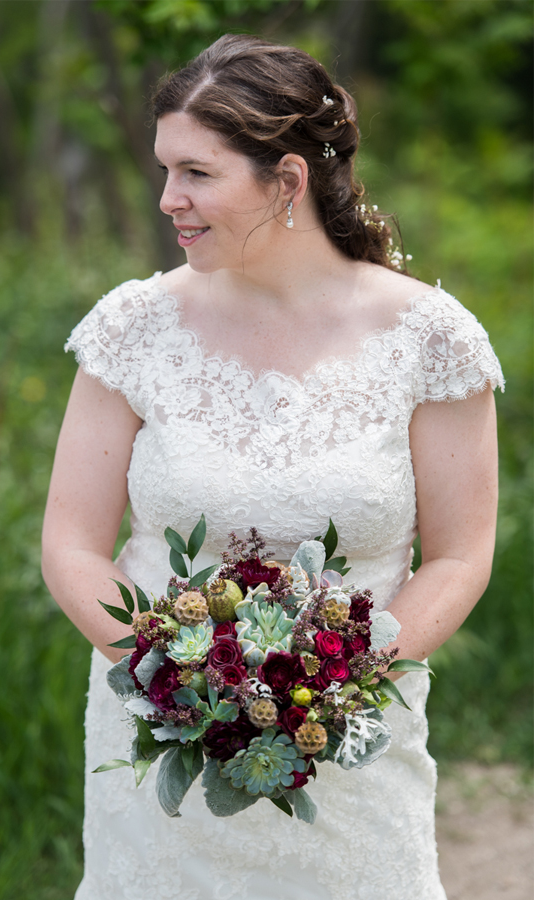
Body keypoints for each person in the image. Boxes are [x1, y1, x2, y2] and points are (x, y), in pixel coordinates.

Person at [41, 35, 502, 900]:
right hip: (157, 739)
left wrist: (343, 677)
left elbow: (459, 555)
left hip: (353, 733)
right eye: (164, 170)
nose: (169, 200)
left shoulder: (431, 337)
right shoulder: (132, 328)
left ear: (288, 180)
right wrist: (167, 678)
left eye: (197, 174)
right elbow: (70, 543)